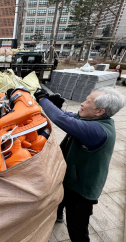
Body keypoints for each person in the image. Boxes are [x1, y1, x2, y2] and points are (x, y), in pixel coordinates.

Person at [34, 87, 125, 242]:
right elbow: (69, 117)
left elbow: (62, 120)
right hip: (72, 176)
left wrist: (42, 99)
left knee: (77, 229)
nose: (81, 104)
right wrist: (55, 107)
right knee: (59, 197)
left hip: (81, 189)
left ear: (99, 111)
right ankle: (58, 215)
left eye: (87, 102)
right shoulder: (92, 119)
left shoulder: (98, 131)